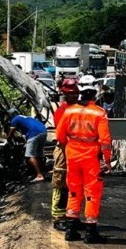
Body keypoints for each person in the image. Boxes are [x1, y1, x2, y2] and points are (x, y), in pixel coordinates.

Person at [56, 74, 112, 243]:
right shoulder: (99, 113)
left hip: (72, 156)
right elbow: (105, 141)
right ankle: (91, 232)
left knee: (73, 191)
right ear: (95, 93)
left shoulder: (69, 111)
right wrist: (107, 161)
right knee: (92, 193)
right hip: (91, 159)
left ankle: (71, 230)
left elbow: (59, 136)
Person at [51, 78, 79, 231]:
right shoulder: (61, 111)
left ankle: (71, 216)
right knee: (60, 183)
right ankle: (58, 217)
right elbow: (62, 136)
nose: (74, 97)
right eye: (72, 94)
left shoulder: (78, 110)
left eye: (76, 94)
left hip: (76, 151)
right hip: (64, 150)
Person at [7, 112, 48, 182]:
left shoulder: (14, 119)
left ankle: (39, 175)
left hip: (34, 133)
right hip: (43, 131)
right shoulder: (26, 117)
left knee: (29, 156)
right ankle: (42, 172)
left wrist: (8, 140)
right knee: (38, 154)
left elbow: (11, 133)